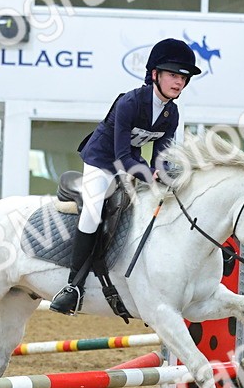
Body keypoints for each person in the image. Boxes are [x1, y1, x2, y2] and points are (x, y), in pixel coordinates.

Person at [48, 38, 201, 315]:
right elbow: (120, 157)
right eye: (173, 75)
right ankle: (72, 286)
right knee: (93, 211)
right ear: (155, 74)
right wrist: (149, 174)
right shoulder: (129, 102)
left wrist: (167, 176)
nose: (179, 82)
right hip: (102, 161)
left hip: (131, 162)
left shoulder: (171, 113)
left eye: (184, 78)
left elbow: (159, 158)